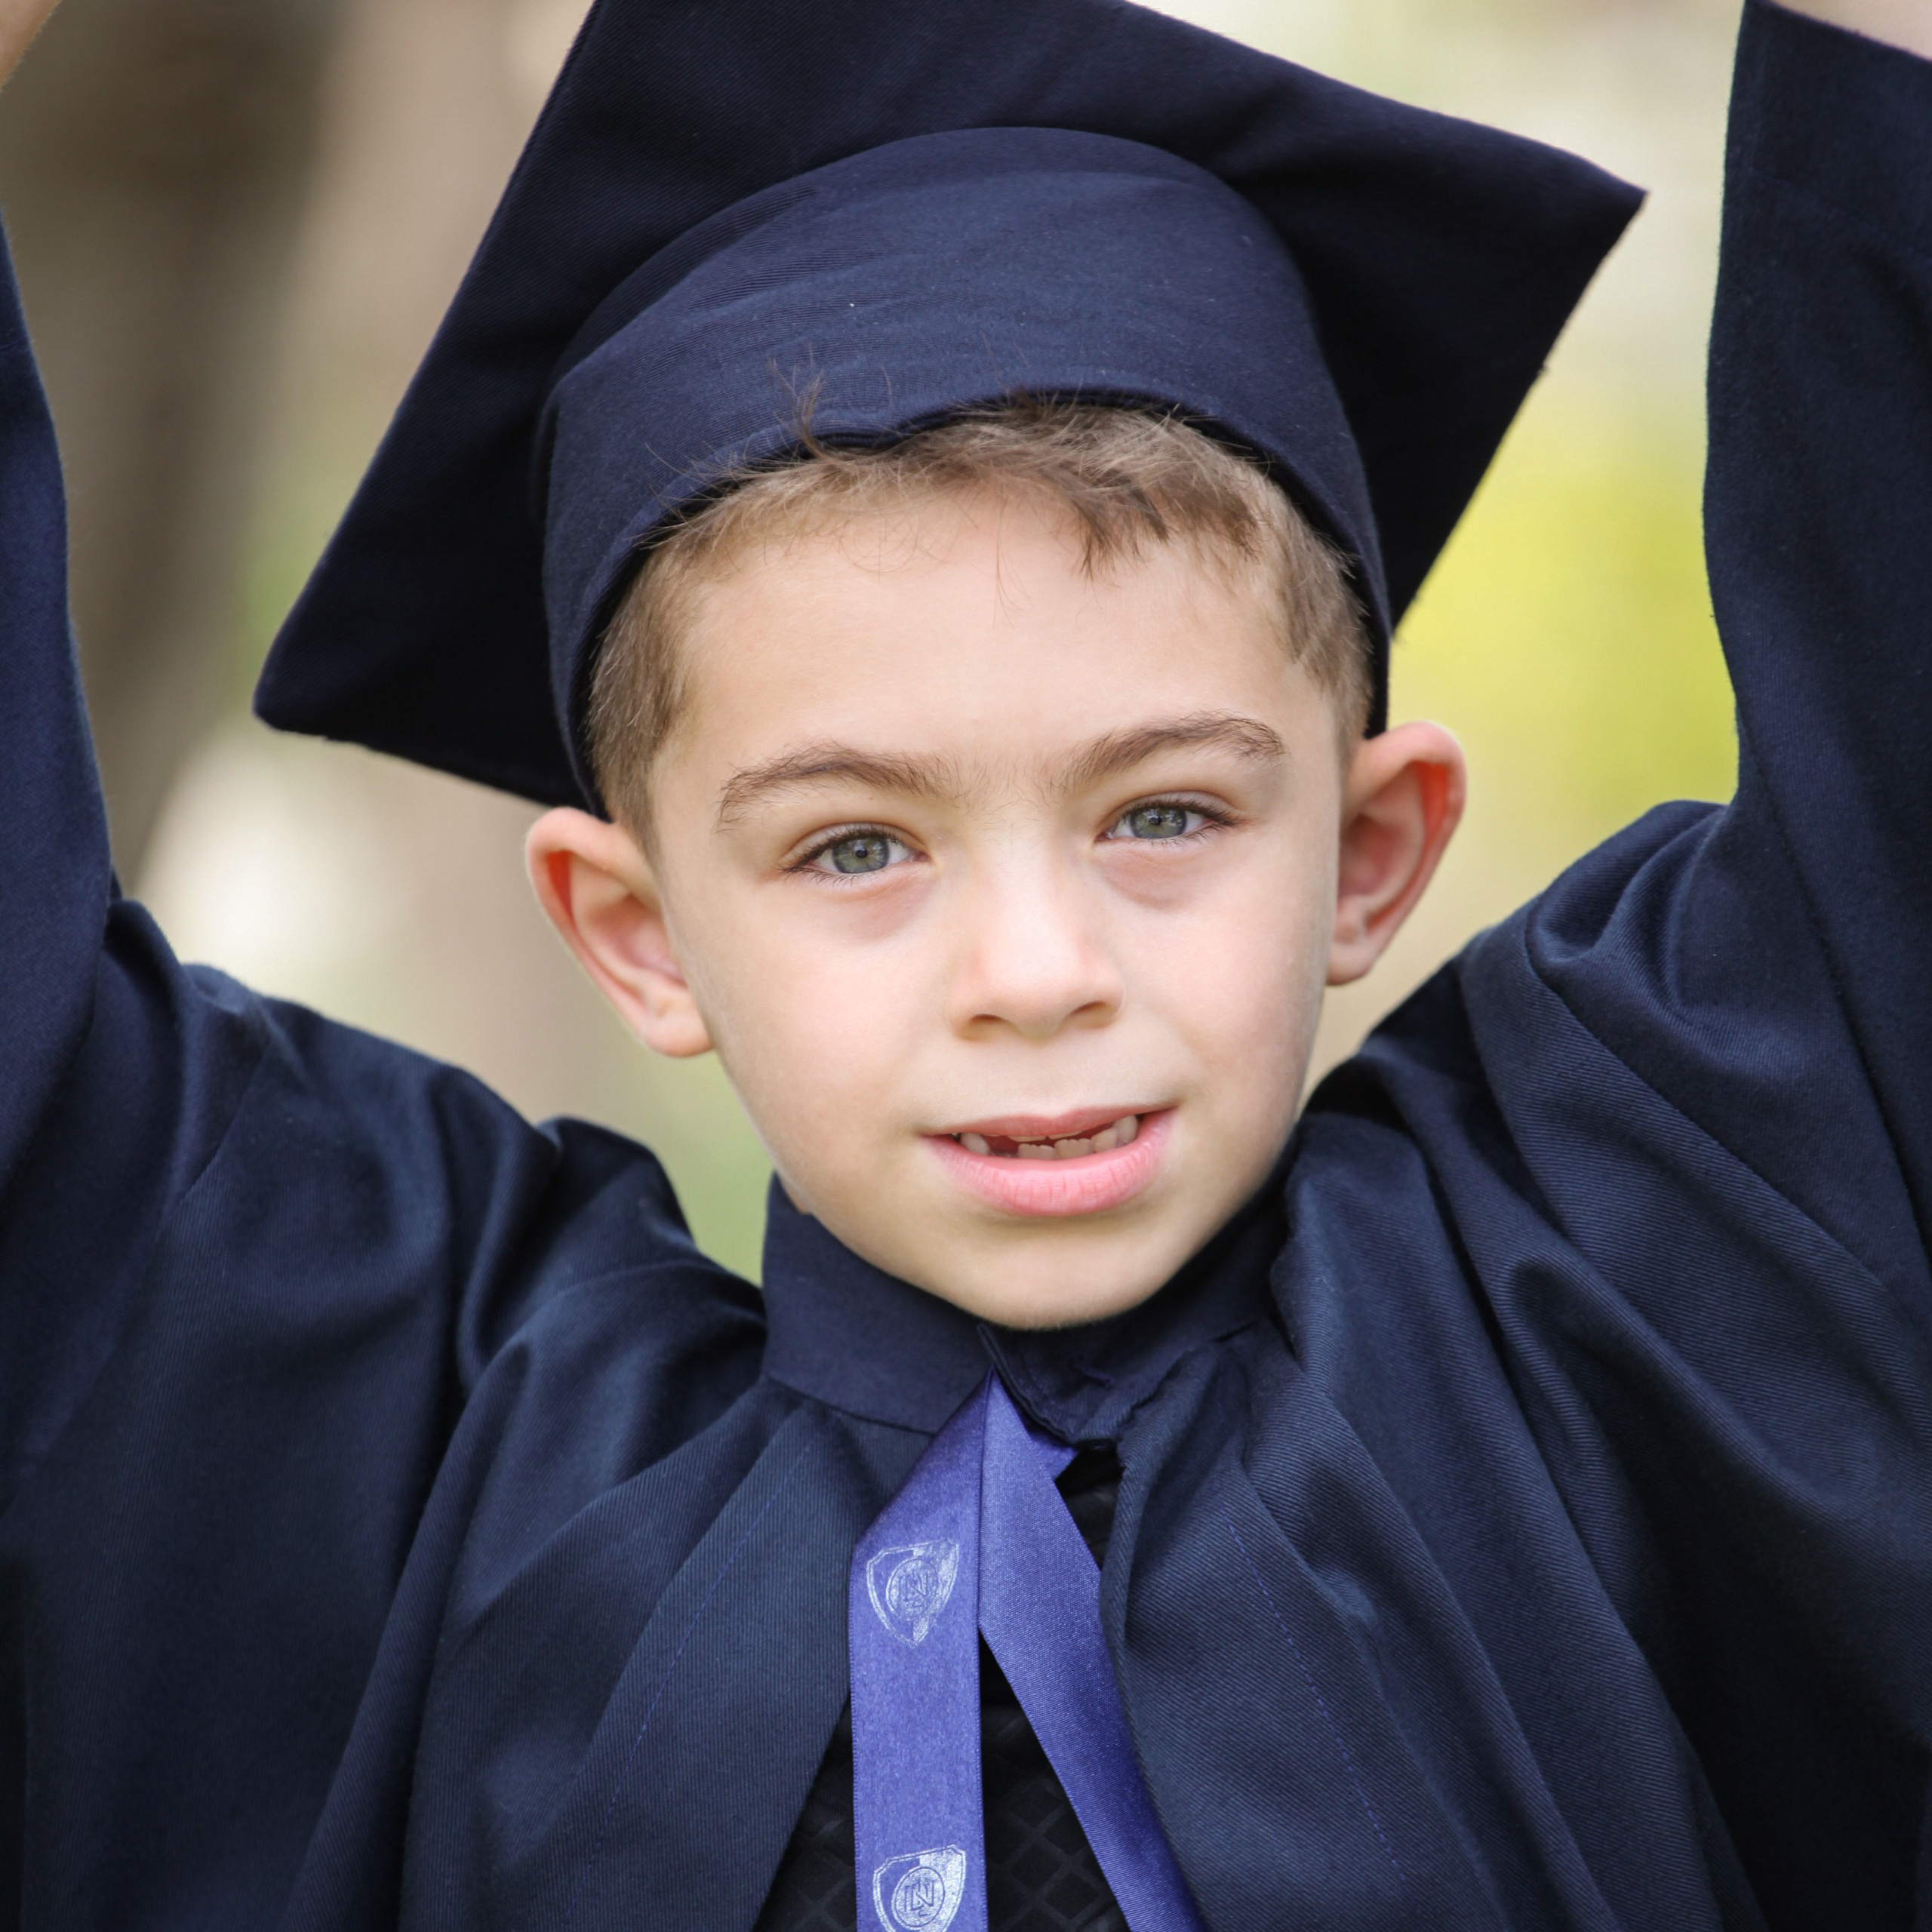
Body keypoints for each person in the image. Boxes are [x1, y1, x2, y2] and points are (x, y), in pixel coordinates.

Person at [2, 0, 1930, 1924]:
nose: (1032, 970)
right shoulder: (416, 1447)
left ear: (1365, 851)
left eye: (1164, 813)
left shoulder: (1606, 1297)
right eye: (854, 845)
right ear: (639, 931)